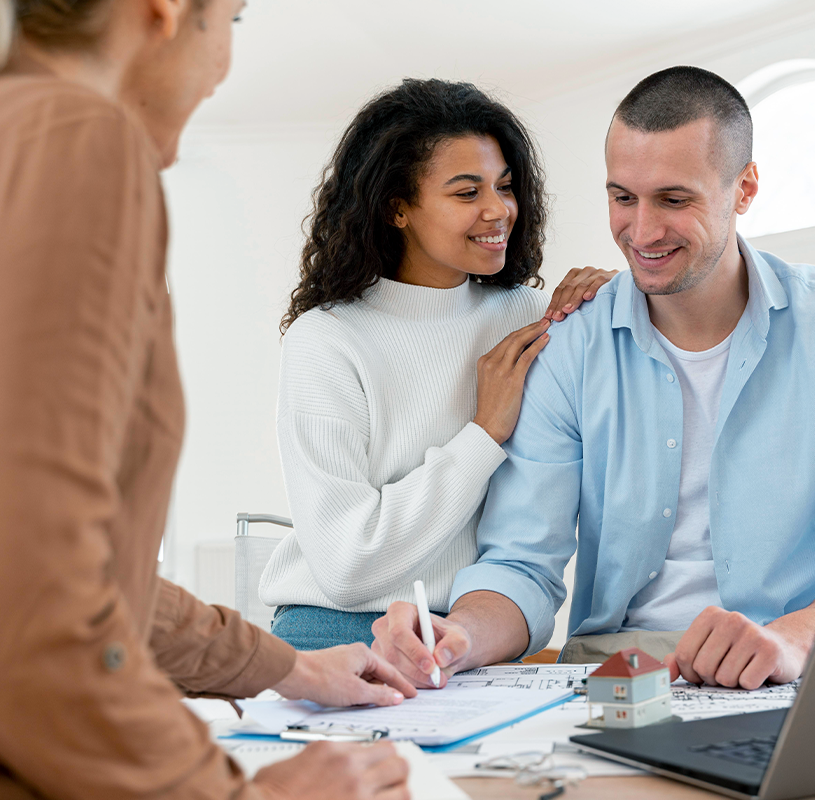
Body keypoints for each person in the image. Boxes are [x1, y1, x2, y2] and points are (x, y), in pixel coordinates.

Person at [0, 1, 414, 798]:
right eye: (232, 16)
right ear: (162, 10)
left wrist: (286, 666)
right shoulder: (65, 140)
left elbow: (43, 566)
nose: (224, 57)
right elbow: (24, 621)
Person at [371, 66, 815, 691]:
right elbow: (522, 564)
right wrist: (460, 636)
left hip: (794, 656)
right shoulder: (570, 346)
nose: (641, 233)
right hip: (613, 669)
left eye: (674, 199)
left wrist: (789, 641)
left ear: (744, 188)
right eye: (622, 198)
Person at [259, 78, 615, 653]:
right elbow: (347, 568)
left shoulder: (530, 316)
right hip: (338, 633)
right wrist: (483, 433)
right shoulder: (327, 339)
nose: (498, 210)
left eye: (504, 186)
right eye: (466, 192)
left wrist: (617, 301)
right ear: (398, 208)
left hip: (483, 631)